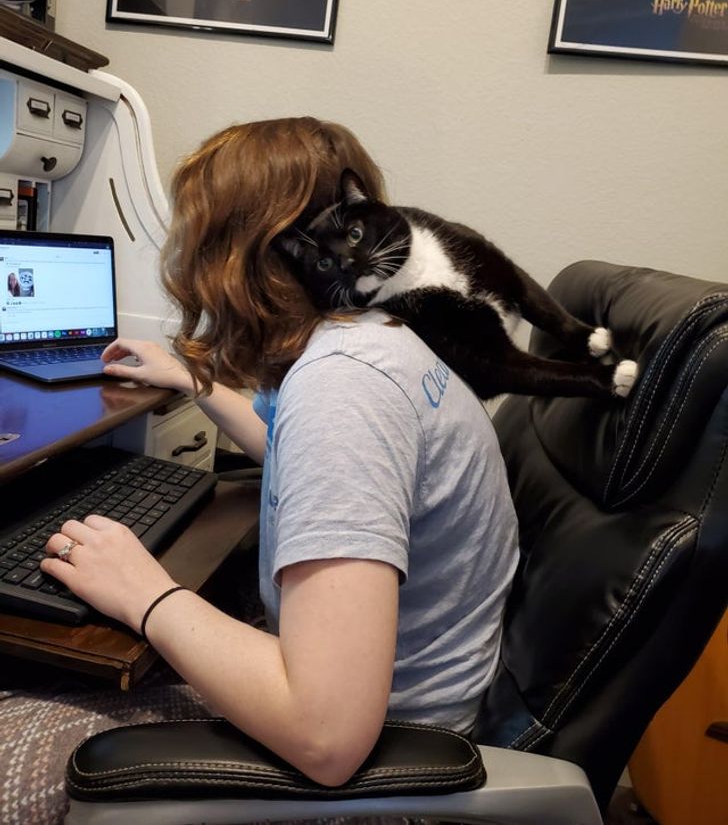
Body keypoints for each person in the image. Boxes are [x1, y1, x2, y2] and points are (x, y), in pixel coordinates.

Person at [33, 117, 517, 798]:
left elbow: (326, 738)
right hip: (412, 695)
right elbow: (318, 470)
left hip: (386, 762)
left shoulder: (344, 391)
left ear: (238, 256)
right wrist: (197, 385)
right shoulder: (381, 335)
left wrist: (145, 593)